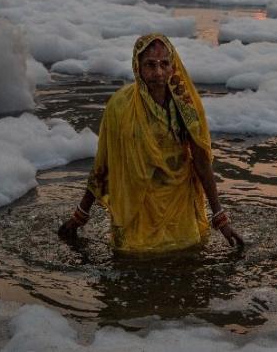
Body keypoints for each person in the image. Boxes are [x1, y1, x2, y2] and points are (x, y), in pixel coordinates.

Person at [58, 33, 244, 252]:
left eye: (164, 64)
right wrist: (81, 214)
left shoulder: (186, 106)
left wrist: (220, 218)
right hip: (137, 214)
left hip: (180, 211)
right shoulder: (120, 107)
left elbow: (202, 163)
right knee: (134, 260)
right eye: (150, 65)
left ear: (173, 65)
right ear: (138, 67)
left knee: (186, 259)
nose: (158, 72)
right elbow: (104, 164)